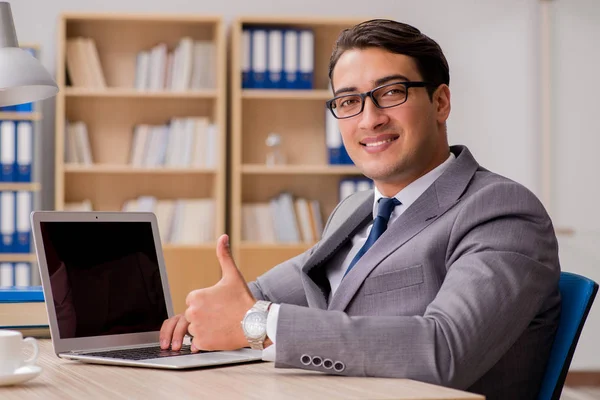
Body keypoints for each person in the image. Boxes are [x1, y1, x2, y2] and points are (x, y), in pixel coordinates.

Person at [160, 19, 561, 399]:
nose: (369, 119)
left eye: (390, 93)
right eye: (349, 101)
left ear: (440, 102)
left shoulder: (501, 211)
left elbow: (444, 350)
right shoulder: (356, 210)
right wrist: (199, 320)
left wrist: (260, 324)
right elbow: (263, 293)